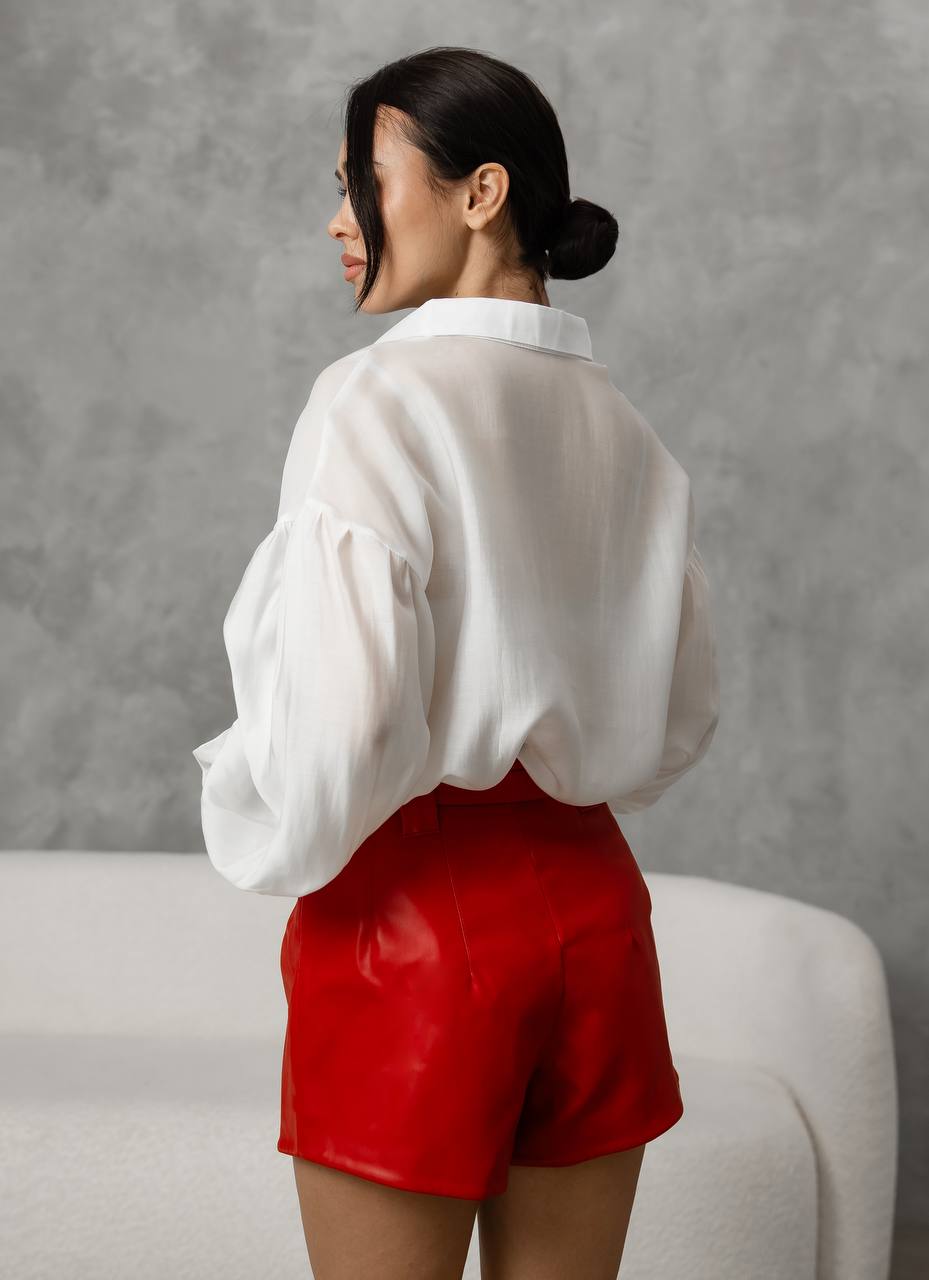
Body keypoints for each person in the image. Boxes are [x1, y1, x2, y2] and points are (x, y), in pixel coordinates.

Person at [193, 45, 719, 1280]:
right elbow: (680, 711)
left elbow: (341, 730)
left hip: (412, 916)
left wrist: (252, 804)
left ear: (480, 193)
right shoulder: (624, 427)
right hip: (596, 910)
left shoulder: (375, 399)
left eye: (361, 182)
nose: (338, 222)